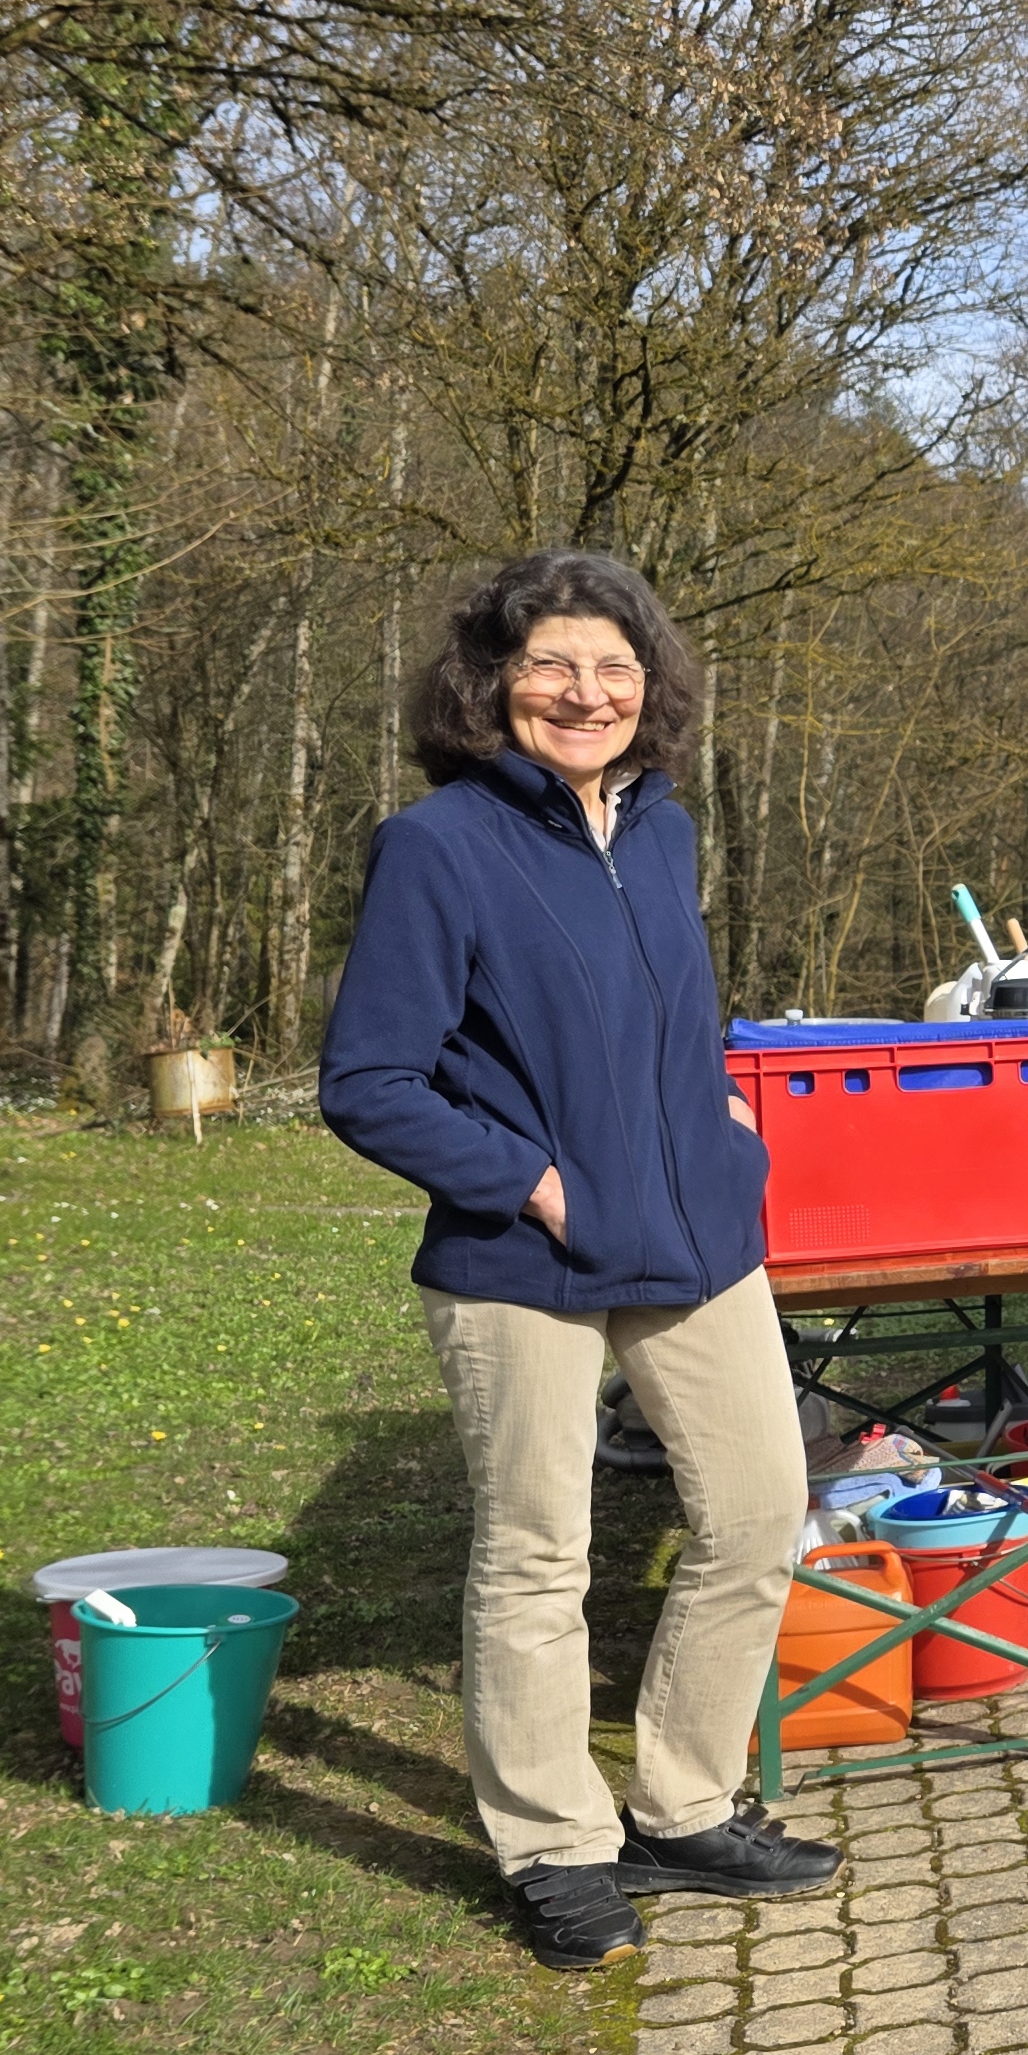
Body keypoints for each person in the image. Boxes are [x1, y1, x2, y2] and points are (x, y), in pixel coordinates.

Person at [320, 552, 839, 1973]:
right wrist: (532, 1181)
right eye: (552, 665)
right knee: (539, 1553)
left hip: (696, 1239)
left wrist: (720, 1116)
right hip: (517, 1260)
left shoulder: (663, 831)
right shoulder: (438, 847)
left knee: (755, 1510)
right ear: (492, 685)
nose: (585, 693)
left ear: (650, 690)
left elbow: (671, 1009)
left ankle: (681, 1803)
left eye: (615, 669)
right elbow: (370, 1080)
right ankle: (554, 1843)